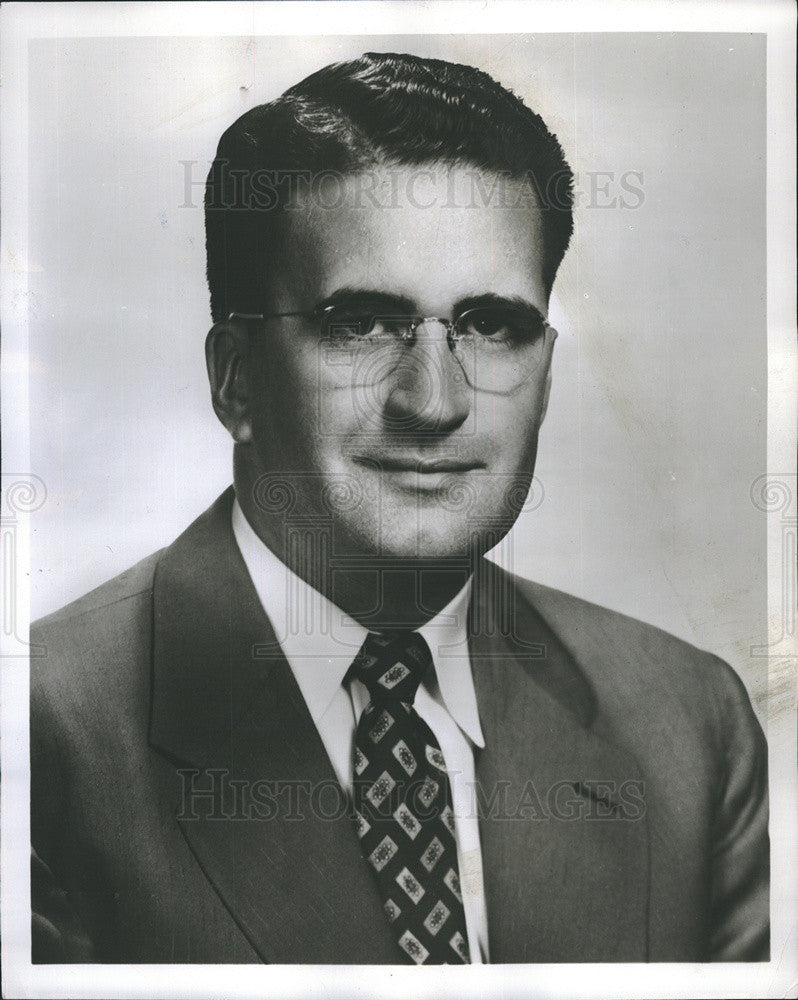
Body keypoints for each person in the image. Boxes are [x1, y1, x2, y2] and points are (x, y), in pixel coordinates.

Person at [30, 51, 769, 965]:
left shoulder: (689, 724)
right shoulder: (38, 737)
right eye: (363, 322)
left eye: (492, 325)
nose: (435, 400)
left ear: (544, 373)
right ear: (235, 381)